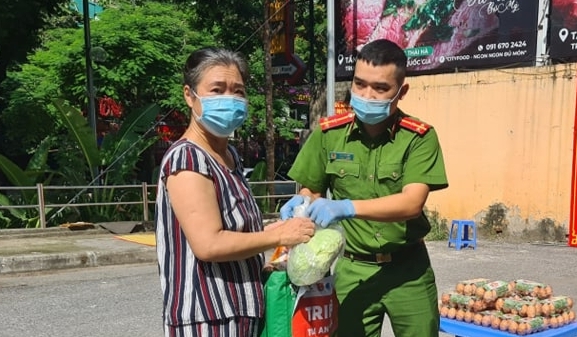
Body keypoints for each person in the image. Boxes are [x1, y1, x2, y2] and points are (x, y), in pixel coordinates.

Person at [280, 39, 448, 337]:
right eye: (359, 84)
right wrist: (301, 202)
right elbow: (312, 191)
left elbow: (411, 203)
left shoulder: (419, 137)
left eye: (380, 88)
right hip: (352, 270)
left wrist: (347, 207)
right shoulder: (329, 134)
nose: (366, 94)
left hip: (408, 270)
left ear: (402, 91)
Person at [155, 47, 315, 337]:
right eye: (217, 89)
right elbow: (209, 244)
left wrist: (274, 233)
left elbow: (234, 228)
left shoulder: (228, 155)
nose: (229, 99)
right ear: (190, 96)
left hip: (241, 311)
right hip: (207, 318)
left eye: (238, 91)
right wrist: (279, 235)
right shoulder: (187, 158)